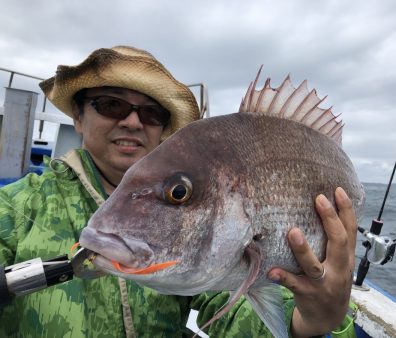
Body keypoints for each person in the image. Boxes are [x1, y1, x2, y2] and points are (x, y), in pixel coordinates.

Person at [0, 46, 357, 337]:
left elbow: (233, 314)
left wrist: (315, 320)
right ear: (78, 117)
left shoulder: (209, 253)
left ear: (163, 129)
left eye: (152, 113)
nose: (132, 121)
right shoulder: (13, 207)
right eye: (111, 104)